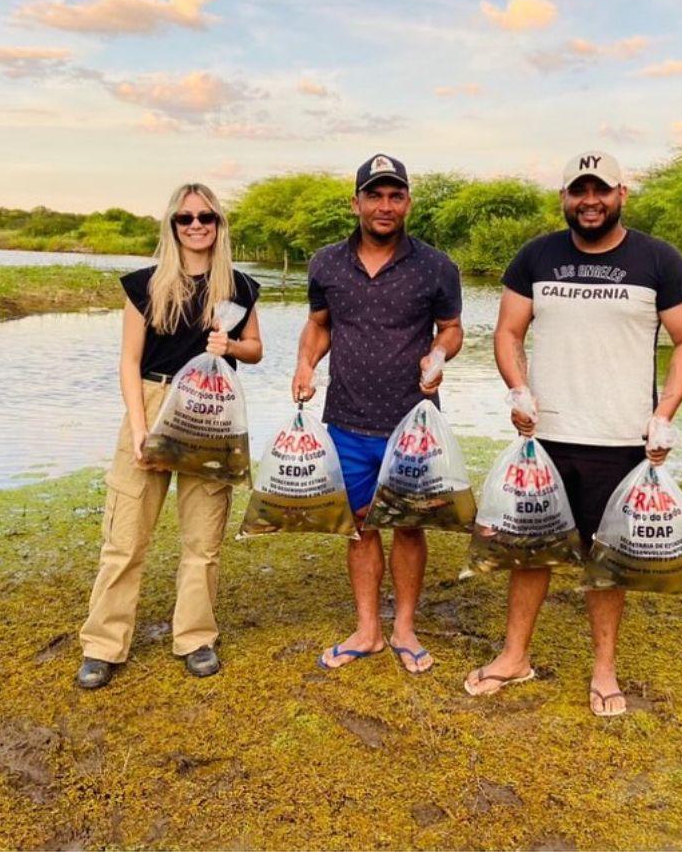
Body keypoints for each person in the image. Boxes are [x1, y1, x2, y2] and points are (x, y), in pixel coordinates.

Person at [466, 150, 682, 713]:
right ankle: (514, 656)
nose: (590, 201)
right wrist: (517, 388)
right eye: (579, 191)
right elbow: (508, 331)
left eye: (601, 190)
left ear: (622, 194)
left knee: (607, 559)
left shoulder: (658, 260)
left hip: (623, 439)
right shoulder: (536, 257)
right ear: (564, 199)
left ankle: (603, 670)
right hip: (543, 439)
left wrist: (664, 413)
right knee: (531, 552)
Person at [77, 183, 262, 688]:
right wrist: (139, 428)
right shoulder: (145, 284)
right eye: (186, 218)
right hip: (155, 403)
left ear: (219, 225)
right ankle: (103, 644)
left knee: (203, 539)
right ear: (172, 225)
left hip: (212, 412)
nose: (197, 225)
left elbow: (256, 350)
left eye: (207, 217)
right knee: (126, 535)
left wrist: (231, 347)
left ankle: (195, 637)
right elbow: (129, 361)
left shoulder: (240, 288)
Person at [292, 154, 463, 674]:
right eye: (375, 195)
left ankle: (404, 627)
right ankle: (367, 629)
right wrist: (304, 363)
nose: (385, 206)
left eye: (395, 196)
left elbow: (451, 329)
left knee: (410, 526)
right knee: (360, 525)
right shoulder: (325, 263)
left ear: (407, 202)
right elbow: (319, 324)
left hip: (413, 424)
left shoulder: (437, 266)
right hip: (345, 418)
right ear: (357, 202)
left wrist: (438, 356)